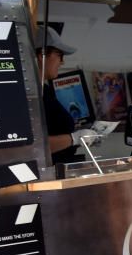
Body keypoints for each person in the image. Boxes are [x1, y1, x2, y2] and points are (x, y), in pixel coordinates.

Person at [35, 26, 93, 163]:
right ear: (41, 55)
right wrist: (74, 138)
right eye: (59, 55)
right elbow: (33, 146)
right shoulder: (29, 95)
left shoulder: (46, 90)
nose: (62, 62)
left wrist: (81, 135)